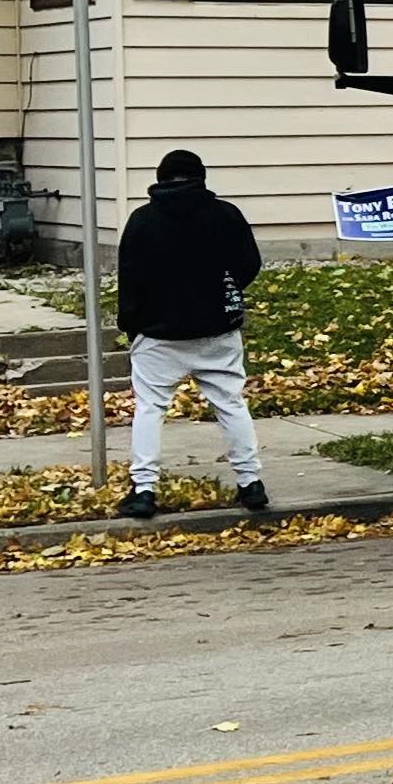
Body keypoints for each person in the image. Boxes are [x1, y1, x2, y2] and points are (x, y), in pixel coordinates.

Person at [113, 148, 267, 516]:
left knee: (150, 408)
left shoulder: (142, 221)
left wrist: (132, 325)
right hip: (217, 331)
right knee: (230, 403)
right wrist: (226, 293)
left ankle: (145, 489)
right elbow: (249, 264)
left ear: (160, 178)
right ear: (201, 177)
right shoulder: (225, 216)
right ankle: (251, 483)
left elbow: (129, 279)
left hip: (158, 334)